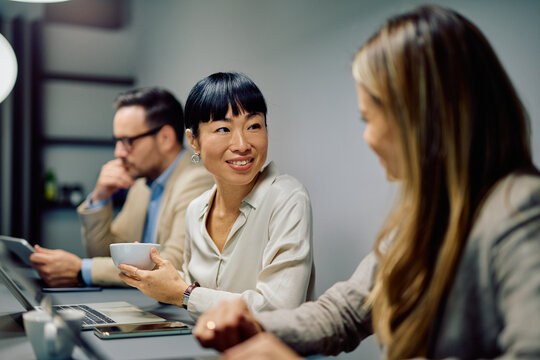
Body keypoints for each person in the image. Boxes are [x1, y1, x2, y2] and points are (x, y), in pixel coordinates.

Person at [191, 5, 540, 360]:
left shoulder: (521, 211)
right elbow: (343, 312)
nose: (368, 138)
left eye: (370, 119)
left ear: (423, 118)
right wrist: (257, 325)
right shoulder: (426, 213)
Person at [118, 72, 313, 318]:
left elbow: (280, 309)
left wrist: (184, 294)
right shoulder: (196, 209)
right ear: (194, 141)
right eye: (223, 129)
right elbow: (187, 291)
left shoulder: (287, 197)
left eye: (254, 126)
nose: (242, 144)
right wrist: (155, 275)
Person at [30, 87, 214, 287]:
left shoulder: (197, 180)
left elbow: (171, 264)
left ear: (165, 138)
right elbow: (105, 255)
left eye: (127, 141)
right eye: (117, 141)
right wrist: (100, 198)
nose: (118, 152)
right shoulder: (142, 184)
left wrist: (81, 269)